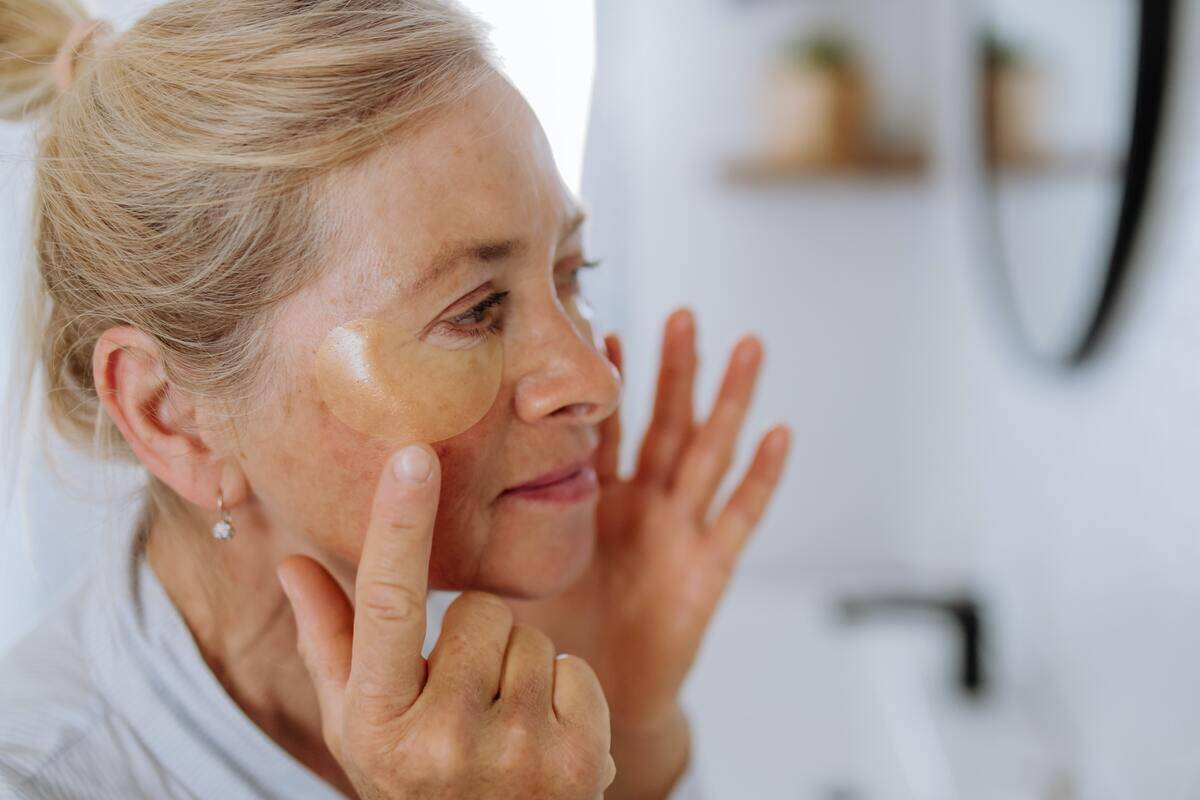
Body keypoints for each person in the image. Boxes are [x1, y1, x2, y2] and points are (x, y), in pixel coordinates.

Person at [0, 1, 793, 798]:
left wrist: (626, 730)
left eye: (570, 274)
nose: (596, 381)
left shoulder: (501, 663)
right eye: (474, 311)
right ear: (172, 417)